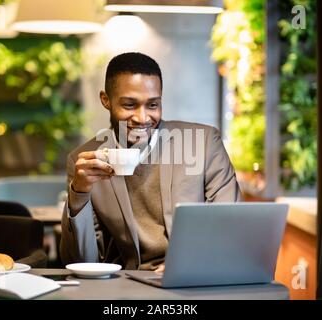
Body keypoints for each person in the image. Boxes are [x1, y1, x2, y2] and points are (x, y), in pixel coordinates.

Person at [60, 52, 241, 271]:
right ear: (105, 100)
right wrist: (79, 192)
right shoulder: (85, 160)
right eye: (129, 105)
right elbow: (80, 261)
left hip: (195, 276)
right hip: (130, 285)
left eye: (153, 105)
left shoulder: (203, 143)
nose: (143, 117)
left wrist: (188, 262)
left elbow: (229, 226)